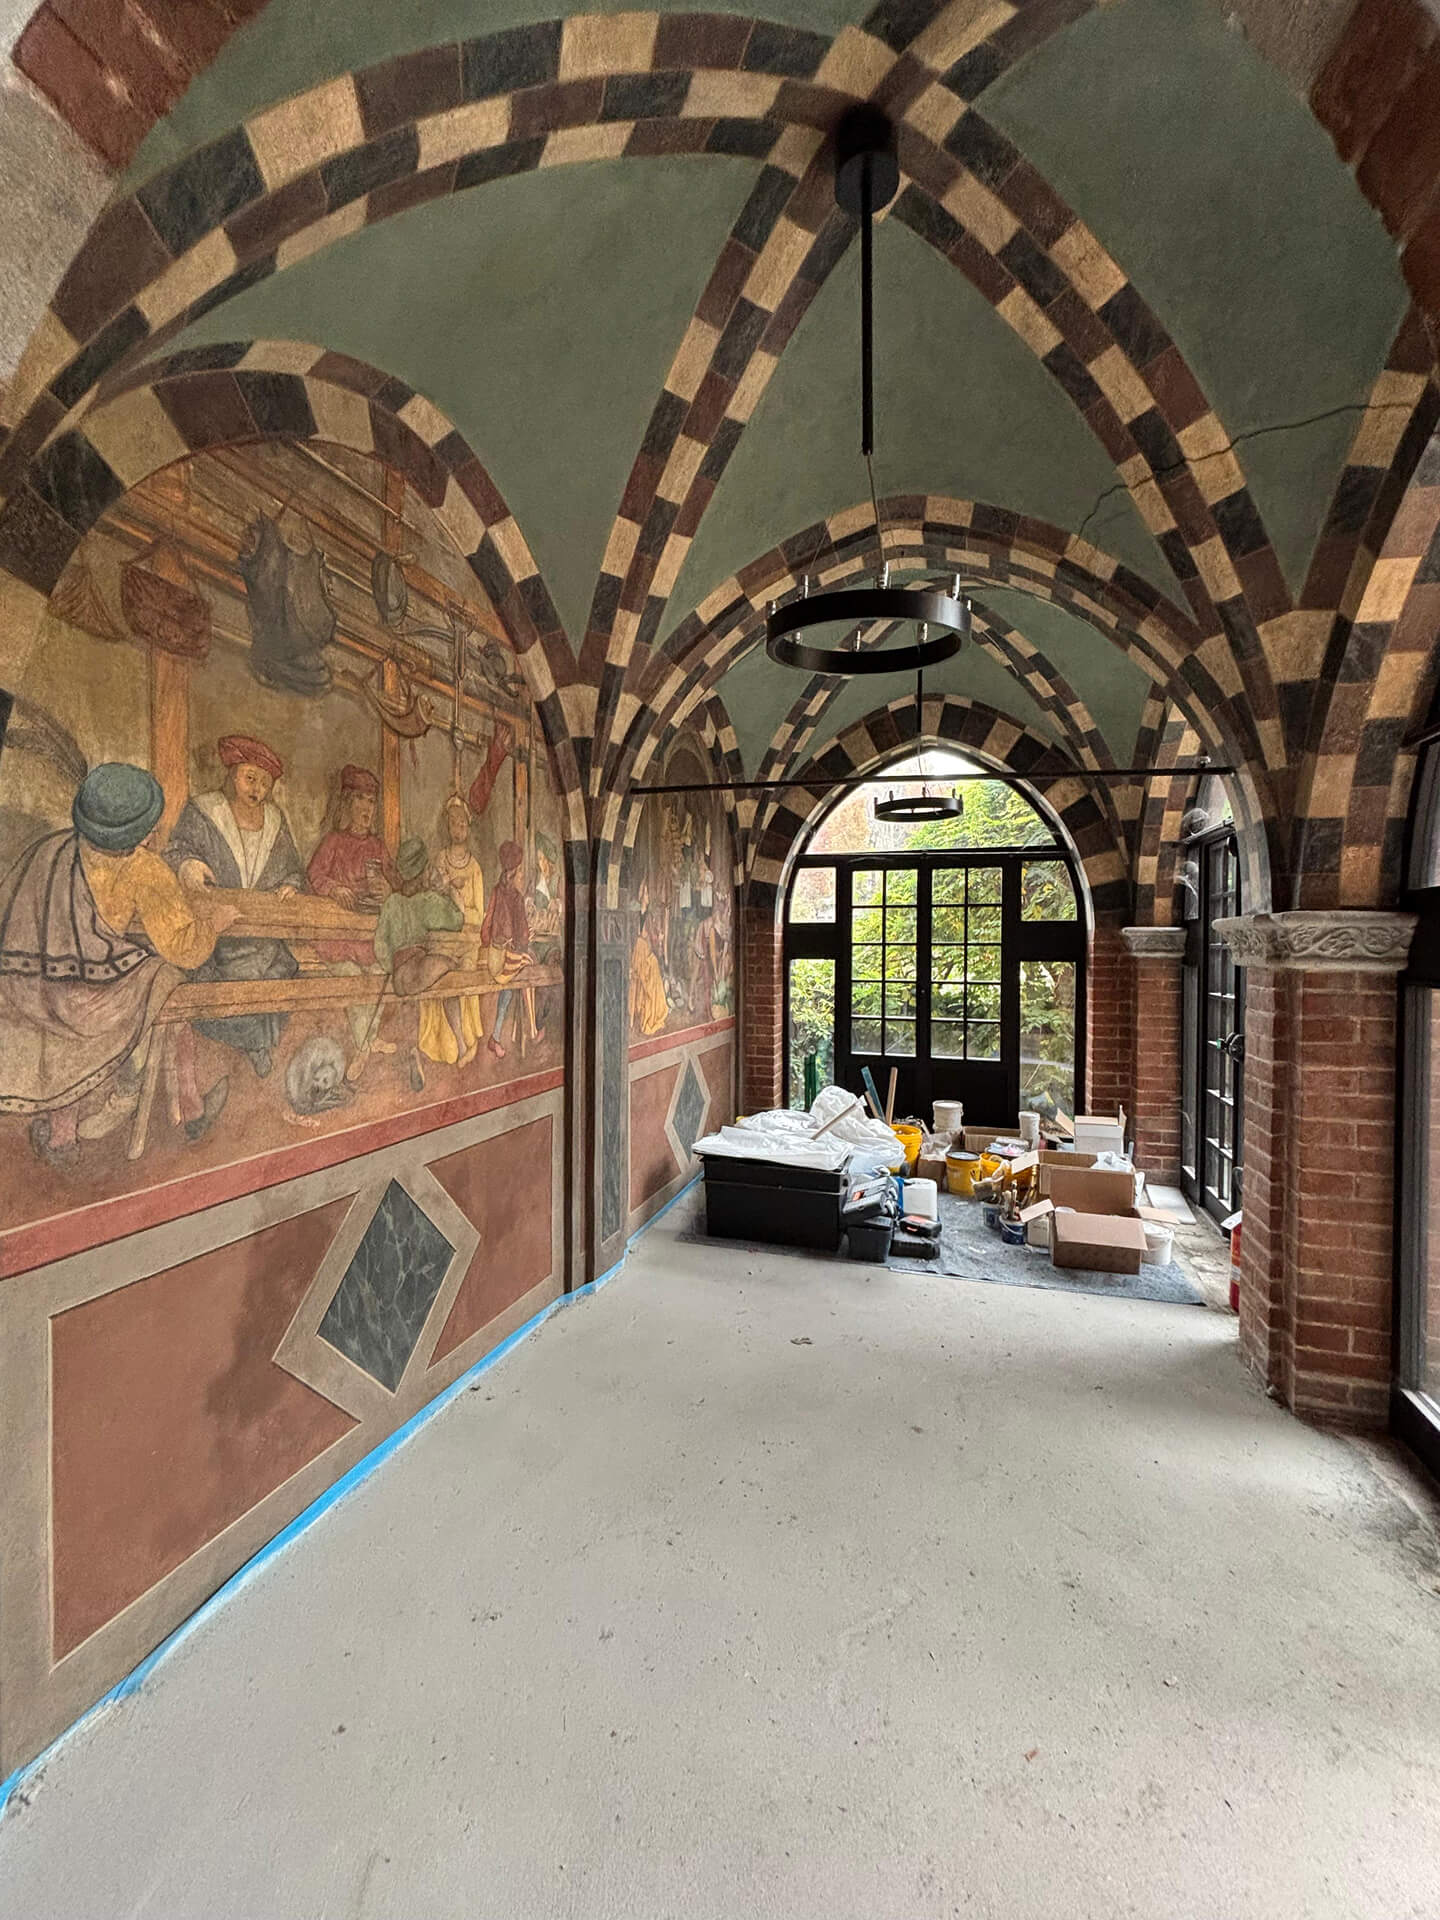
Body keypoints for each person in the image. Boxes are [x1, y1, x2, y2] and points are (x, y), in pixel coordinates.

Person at [0, 764, 237, 1164]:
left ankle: (62, 1138)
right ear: (141, 832)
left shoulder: (51, 850)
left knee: (61, 997)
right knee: (168, 982)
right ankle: (192, 1108)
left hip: (28, 992)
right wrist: (214, 923)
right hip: (93, 1001)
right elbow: (185, 948)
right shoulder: (145, 869)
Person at [164, 734, 304, 1079]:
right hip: (218, 936)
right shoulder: (205, 810)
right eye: (250, 778)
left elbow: (291, 866)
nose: (257, 789)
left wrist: (290, 883)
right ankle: (253, 1044)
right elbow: (178, 850)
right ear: (232, 776)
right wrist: (189, 866)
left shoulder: (275, 820)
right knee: (221, 991)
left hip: (263, 938)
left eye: (264, 783)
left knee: (278, 980)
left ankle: (257, 1043)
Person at [307, 765, 399, 1050]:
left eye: (371, 802)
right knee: (351, 977)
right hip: (337, 938)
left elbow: (395, 882)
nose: (366, 808)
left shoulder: (377, 846)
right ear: (348, 803)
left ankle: (368, 1039)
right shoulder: (334, 841)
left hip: (367, 938)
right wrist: (335, 888)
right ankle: (366, 1043)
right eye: (360, 800)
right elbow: (314, 875)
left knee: (380, 977)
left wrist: (388, 889)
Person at [371, 837, 464, 1091]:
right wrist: (447, 891)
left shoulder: (392, 902)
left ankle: (414, 1048)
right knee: (453, 968)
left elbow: (380, 944)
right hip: (417, 969)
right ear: (424, 872)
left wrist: (389, 967)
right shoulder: (427, 901)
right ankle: (460, 1041)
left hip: (399, 976)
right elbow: (457, 919)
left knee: (435, 983)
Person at [425, 792, 486, 1067]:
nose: (458, 829)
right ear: (447, 827)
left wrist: (462, 912)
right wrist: (447, 891)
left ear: (468, 828)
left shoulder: (474, 868)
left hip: (469, 939)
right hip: (443, 939)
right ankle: (452, 1043)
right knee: (440, 976)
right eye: (453, 824)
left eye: (462, 824)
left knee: (464, 978)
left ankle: (466, 1040)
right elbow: (434, 903)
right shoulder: (440, 860)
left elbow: (480, 913)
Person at [479, 840, 532, 1060]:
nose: (521, 875)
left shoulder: (496, 891)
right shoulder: (517, 898)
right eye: (520, 871)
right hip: (505, 960)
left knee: (509, 989)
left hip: (493, 955)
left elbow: (486, 927)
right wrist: (527, 938)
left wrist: (489, 943)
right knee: (531, 967)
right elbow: (522, 936)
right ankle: (531, 1029)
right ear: (514, 872)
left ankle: (498, 1035)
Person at [629, 878, 668, 1038]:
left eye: (648, 893)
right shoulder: (635, 914)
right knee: (638, 980)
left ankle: (651, 1014)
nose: (647, 896)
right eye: (645, 893)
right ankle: (633, 1019)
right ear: (641, 895)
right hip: (638, 951)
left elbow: (652, 937)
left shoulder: (650, 917)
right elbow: (633, 936)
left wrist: (658, 938)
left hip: (645, 951)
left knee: (653, 972)